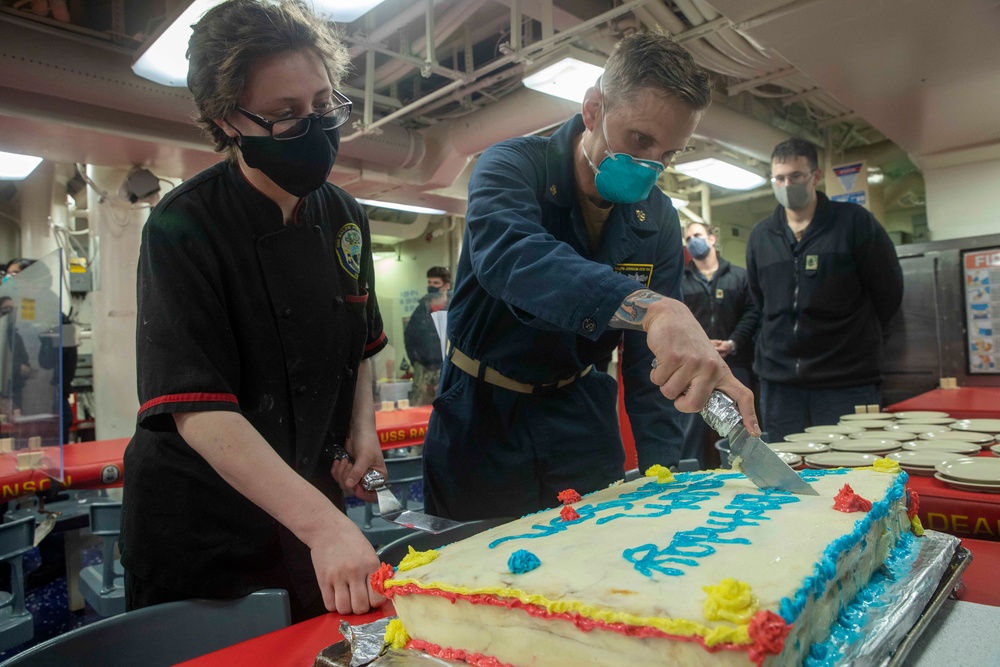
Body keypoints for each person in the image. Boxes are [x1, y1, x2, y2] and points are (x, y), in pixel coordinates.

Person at [121, 0, 389, 622]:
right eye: (285, 115)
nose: (316, 126)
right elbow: (199, 410)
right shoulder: (183, 225)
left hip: (307, 509)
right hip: (206, 527)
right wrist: (324, 526)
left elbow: (364, 342)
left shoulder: (345, 215)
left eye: (324, 105)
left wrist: (364, 428)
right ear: (227, 120)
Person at [422, 32, 758, 522]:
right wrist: (654, 307)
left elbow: (650, 366)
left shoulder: (659, 216)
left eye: (667, 156)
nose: (649, 167)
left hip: (581, 416)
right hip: (483, 416)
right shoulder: (512, 166)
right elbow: (514, 259)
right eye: (639, 140)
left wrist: (666, 478)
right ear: (594, 109)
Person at [746, 138, 903, 443]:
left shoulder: (855, 224)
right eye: (779, 178)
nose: (786, 184)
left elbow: (889, 293)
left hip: (846, 381)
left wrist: (854, 341)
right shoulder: (761, 236)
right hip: (780, 386)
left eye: (795, 176)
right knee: (790, 476)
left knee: (852, 474)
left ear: (815, 177)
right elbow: (759, 300)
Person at [679, 222, 759, 466]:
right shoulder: (680, 281)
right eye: (689, 237)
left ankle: (750, 472)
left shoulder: (739, 276)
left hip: (736, 364)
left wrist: (733, 342)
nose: (693, 241)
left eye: (698, 235)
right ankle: (693, 482)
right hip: (694, 370)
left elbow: (752, 313)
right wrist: (699, 346)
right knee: (693, 433)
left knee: (741, 426)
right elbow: (677, 321)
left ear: (712, 239)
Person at [403, 266, 450, 405]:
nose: (431, 286)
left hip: (446, 367)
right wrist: (415, 362)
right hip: (423, 368)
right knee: (418, 408)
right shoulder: (421, 309)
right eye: (429, 283)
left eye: (435, 283)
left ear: (446, 286)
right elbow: (409, 336)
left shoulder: (454, 308)